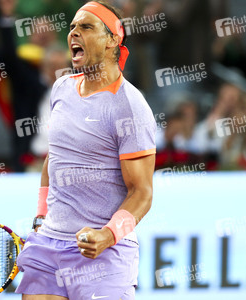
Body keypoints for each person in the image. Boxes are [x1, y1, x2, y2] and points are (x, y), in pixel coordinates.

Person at [15, 2, 156, 299]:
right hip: (48, 247)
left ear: (112, 40)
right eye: (72, 28)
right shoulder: (62, 88)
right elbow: (54, 159)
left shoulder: (130, 106)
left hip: (104, 255)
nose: (74, 33)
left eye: (86, 27)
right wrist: (40, 219)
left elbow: (142, 193)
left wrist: (108, 235)